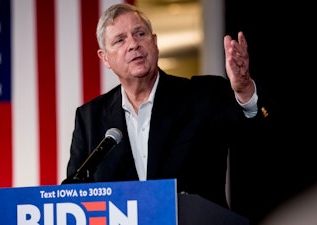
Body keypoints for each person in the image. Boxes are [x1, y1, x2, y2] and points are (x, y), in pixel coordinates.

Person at [62, 3, 272, 212]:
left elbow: (255, 142)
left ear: (154, 42)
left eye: (140, 34)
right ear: (105, 58)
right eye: (120, 40)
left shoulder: (202, 95)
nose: (133, 44)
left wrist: (244, 90)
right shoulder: (90, 117)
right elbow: (74, 196)